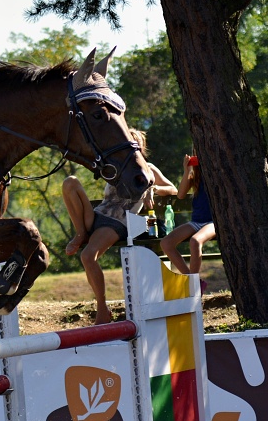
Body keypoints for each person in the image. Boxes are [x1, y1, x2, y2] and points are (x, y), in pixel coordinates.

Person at [62, 130, 177, 324]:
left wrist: (152, 188)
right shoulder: (116, 166)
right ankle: (80, 233)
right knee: (70, 182)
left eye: (135, 143)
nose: (132, 147)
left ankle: (102, 308)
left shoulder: (148, 170)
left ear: (141, 148)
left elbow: (173, 188)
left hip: (117, 222)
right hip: (97, 215)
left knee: (87, 256)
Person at [160, 154, 216, 293]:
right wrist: (187, 170)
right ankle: (192, 281)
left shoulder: (217, 171)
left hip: (214, 222)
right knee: (166, 243)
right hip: (197, 221)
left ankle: (193, 287)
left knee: (195, 242)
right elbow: (180, 195)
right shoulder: (195, 177)